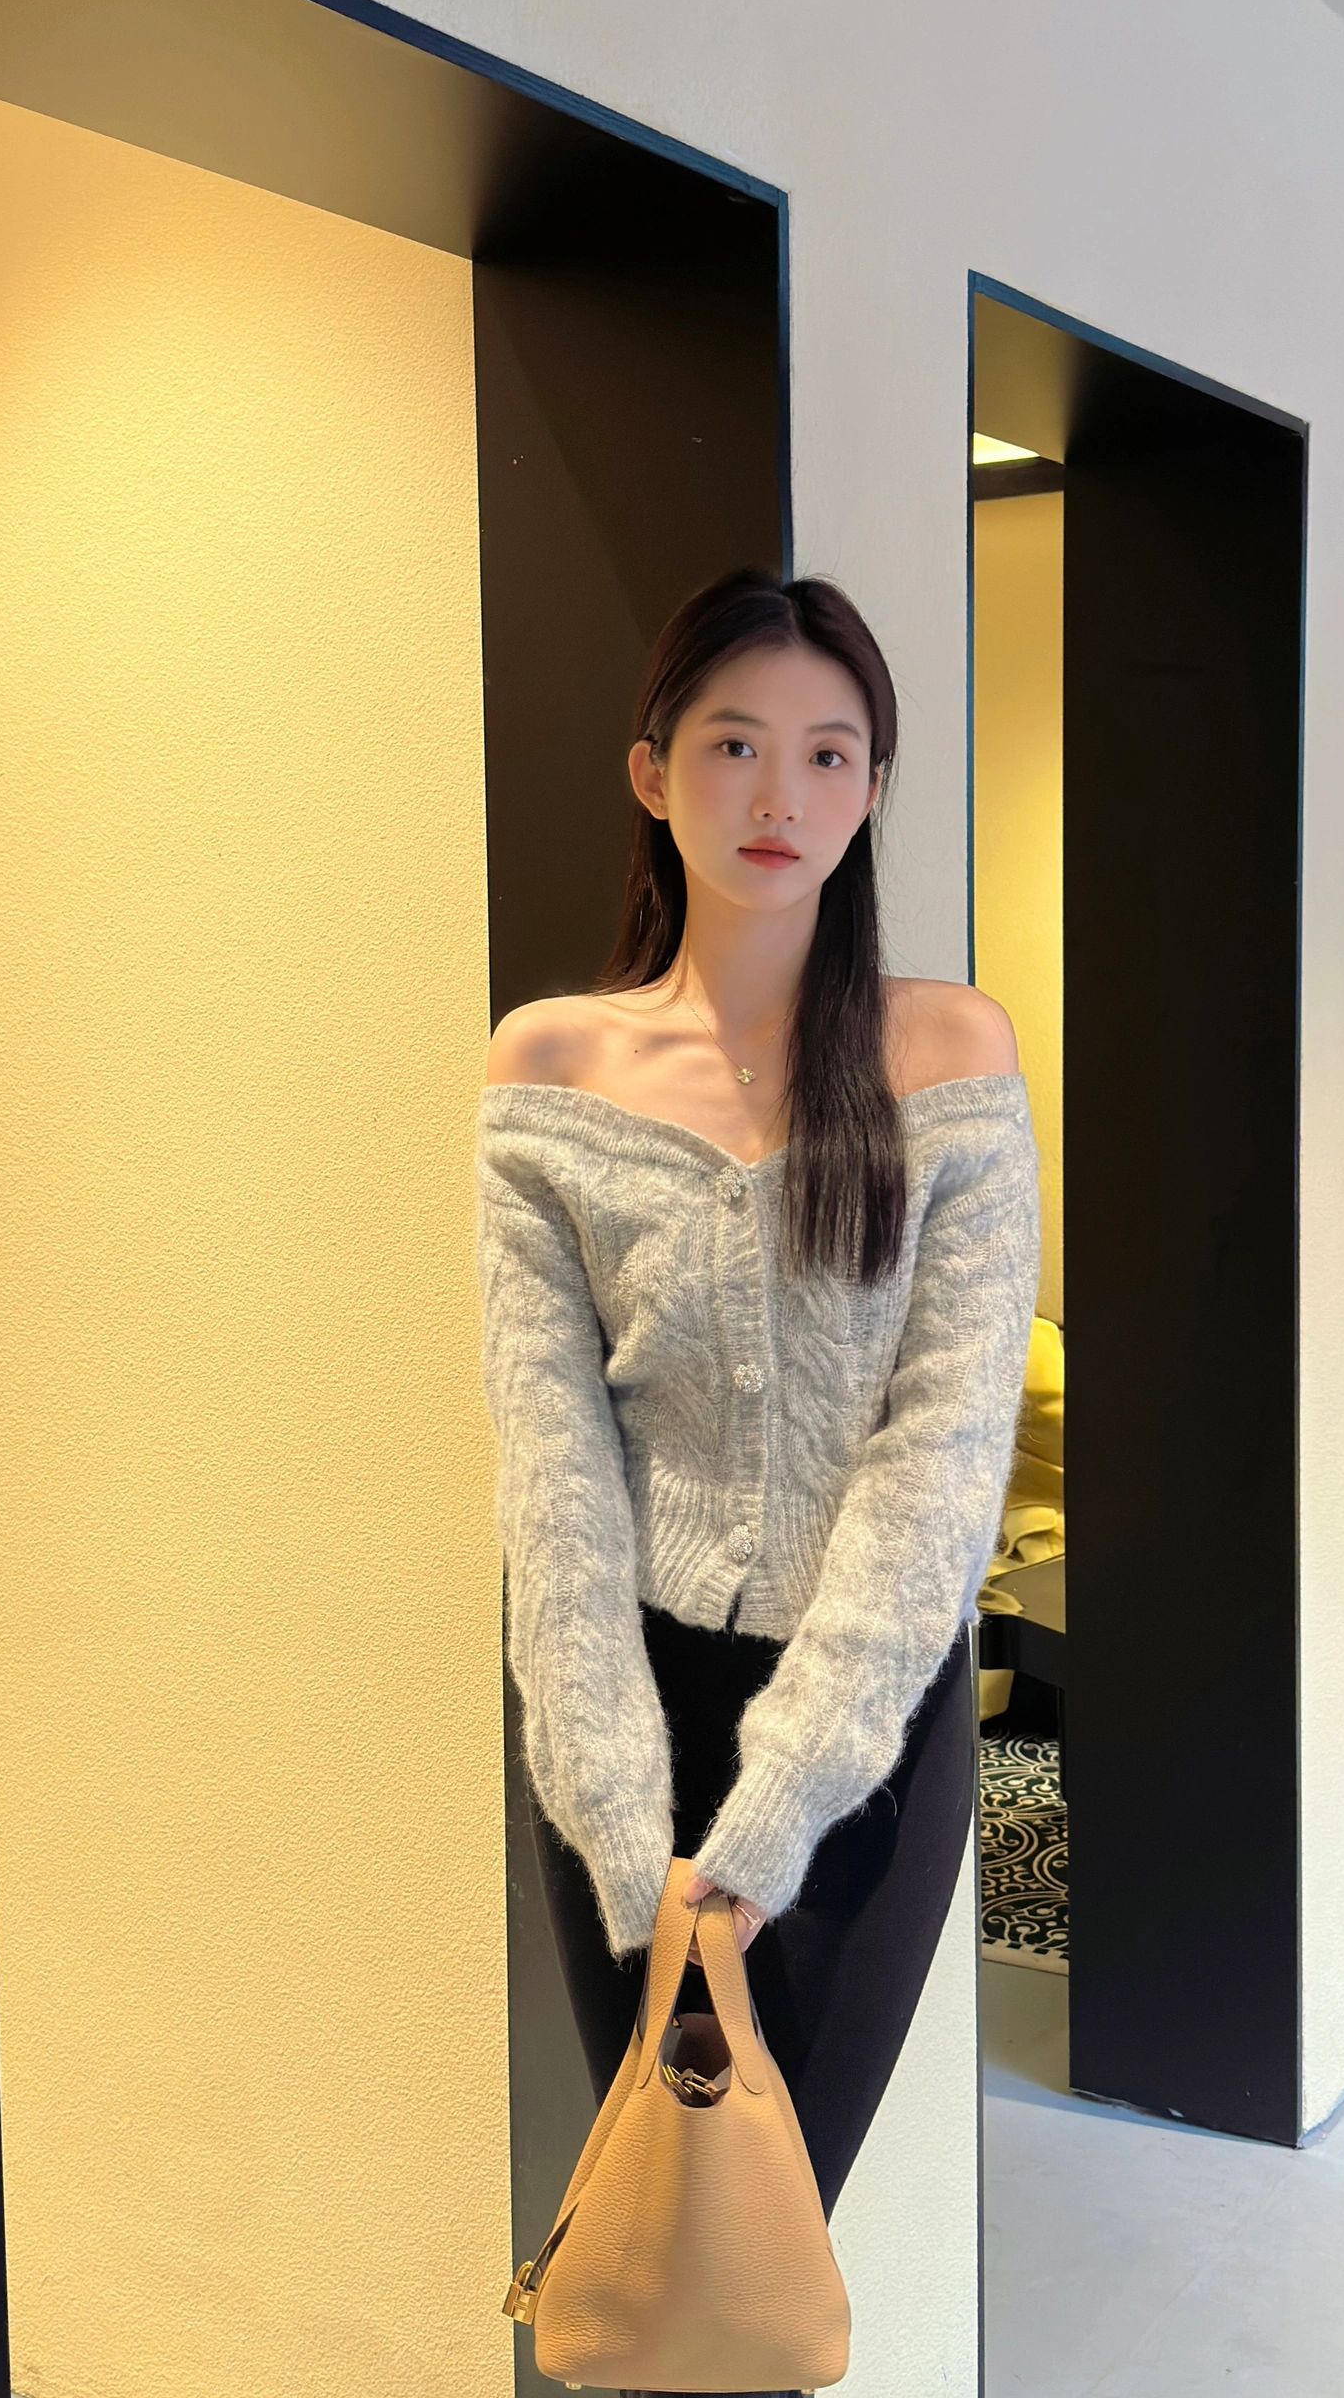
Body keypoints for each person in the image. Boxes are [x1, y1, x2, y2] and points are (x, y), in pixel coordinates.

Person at [474, 566, 1043, 2398]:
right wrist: (623, 1815)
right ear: (654, 773)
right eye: (732, 746)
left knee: (764, 2269)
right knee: (663, 2258)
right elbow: (551, 1470)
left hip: (868, 1744)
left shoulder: (951, 1058)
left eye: (827, 752)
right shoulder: (550, 1069)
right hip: (626, 1730)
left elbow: (944, 1460)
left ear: (871, 787)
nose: (778, 794)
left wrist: (776, 1814)